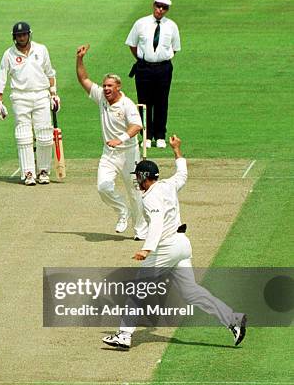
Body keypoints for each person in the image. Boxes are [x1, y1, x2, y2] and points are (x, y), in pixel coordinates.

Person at [101, 136, 247, 349]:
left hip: (167, 247)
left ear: (144, 177)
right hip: (182, 245)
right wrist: (177, 150)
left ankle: (124, 335)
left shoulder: (149, 198)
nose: (136, 181)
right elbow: (183, 174)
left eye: (138, 177)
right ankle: (233, 320)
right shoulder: (168, 185)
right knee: (191, 292)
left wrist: (146, 249)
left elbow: (157, 224)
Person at [76, 44, 148, 239]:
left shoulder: (127, 104)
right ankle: (122, 211)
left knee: (135, 192)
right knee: (103, 187)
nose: (106, 89)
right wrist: (80, 59)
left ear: (118, 87)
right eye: (105, 85)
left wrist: (120, 139)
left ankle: (141, 230)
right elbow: (83, 79)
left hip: (129, 154)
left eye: (110, 86)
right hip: (109, 154)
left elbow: (137, 126)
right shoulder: (101, 97)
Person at [0, 21, 60, 186]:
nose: (22, 37)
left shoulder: (41, 49)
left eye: (24, 34)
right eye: (18, 35)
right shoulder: (8, 54)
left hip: (41, 95)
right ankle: (29, 173)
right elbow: (2, 77)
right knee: (24, 136)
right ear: (14, 37)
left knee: (45, 135)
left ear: (29, 34)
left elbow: (50, 72)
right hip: (20, 97)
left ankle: (43, 171)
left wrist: (53, 93)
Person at [126, 0, 181, 149]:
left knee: (161, 101)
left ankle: (160, 135)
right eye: (158, 6)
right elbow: (132, 44)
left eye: (164, 8)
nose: (160, 10)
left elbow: (175, 48)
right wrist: (144, 59)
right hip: (144, 67)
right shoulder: (141, 23)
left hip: (163, 68)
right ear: (153, 6)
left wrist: (160, 60)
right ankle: (146, 135)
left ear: (167, 10)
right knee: (144, 102)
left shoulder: (171, 26)